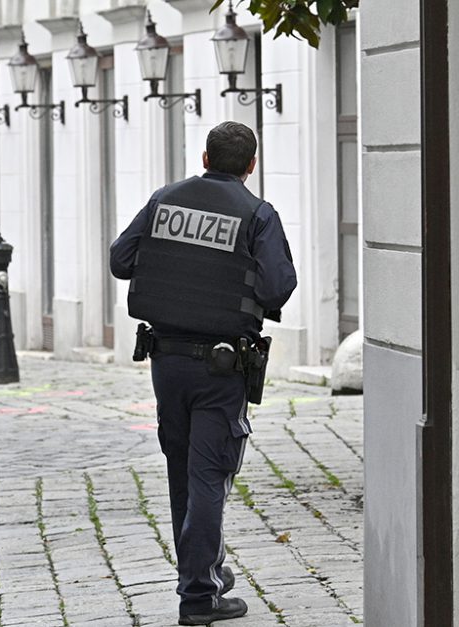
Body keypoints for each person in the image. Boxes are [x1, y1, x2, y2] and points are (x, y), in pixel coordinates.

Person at [109, 121, 297, 625]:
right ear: (250, 166)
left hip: (166, 361)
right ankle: (199, 597)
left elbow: (120, 260)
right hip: (221, 365)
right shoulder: (257, 214)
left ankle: (203, 566)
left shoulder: (164, 200)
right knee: (210, 475)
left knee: (182, 472)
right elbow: (279, 288)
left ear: (206, 158)